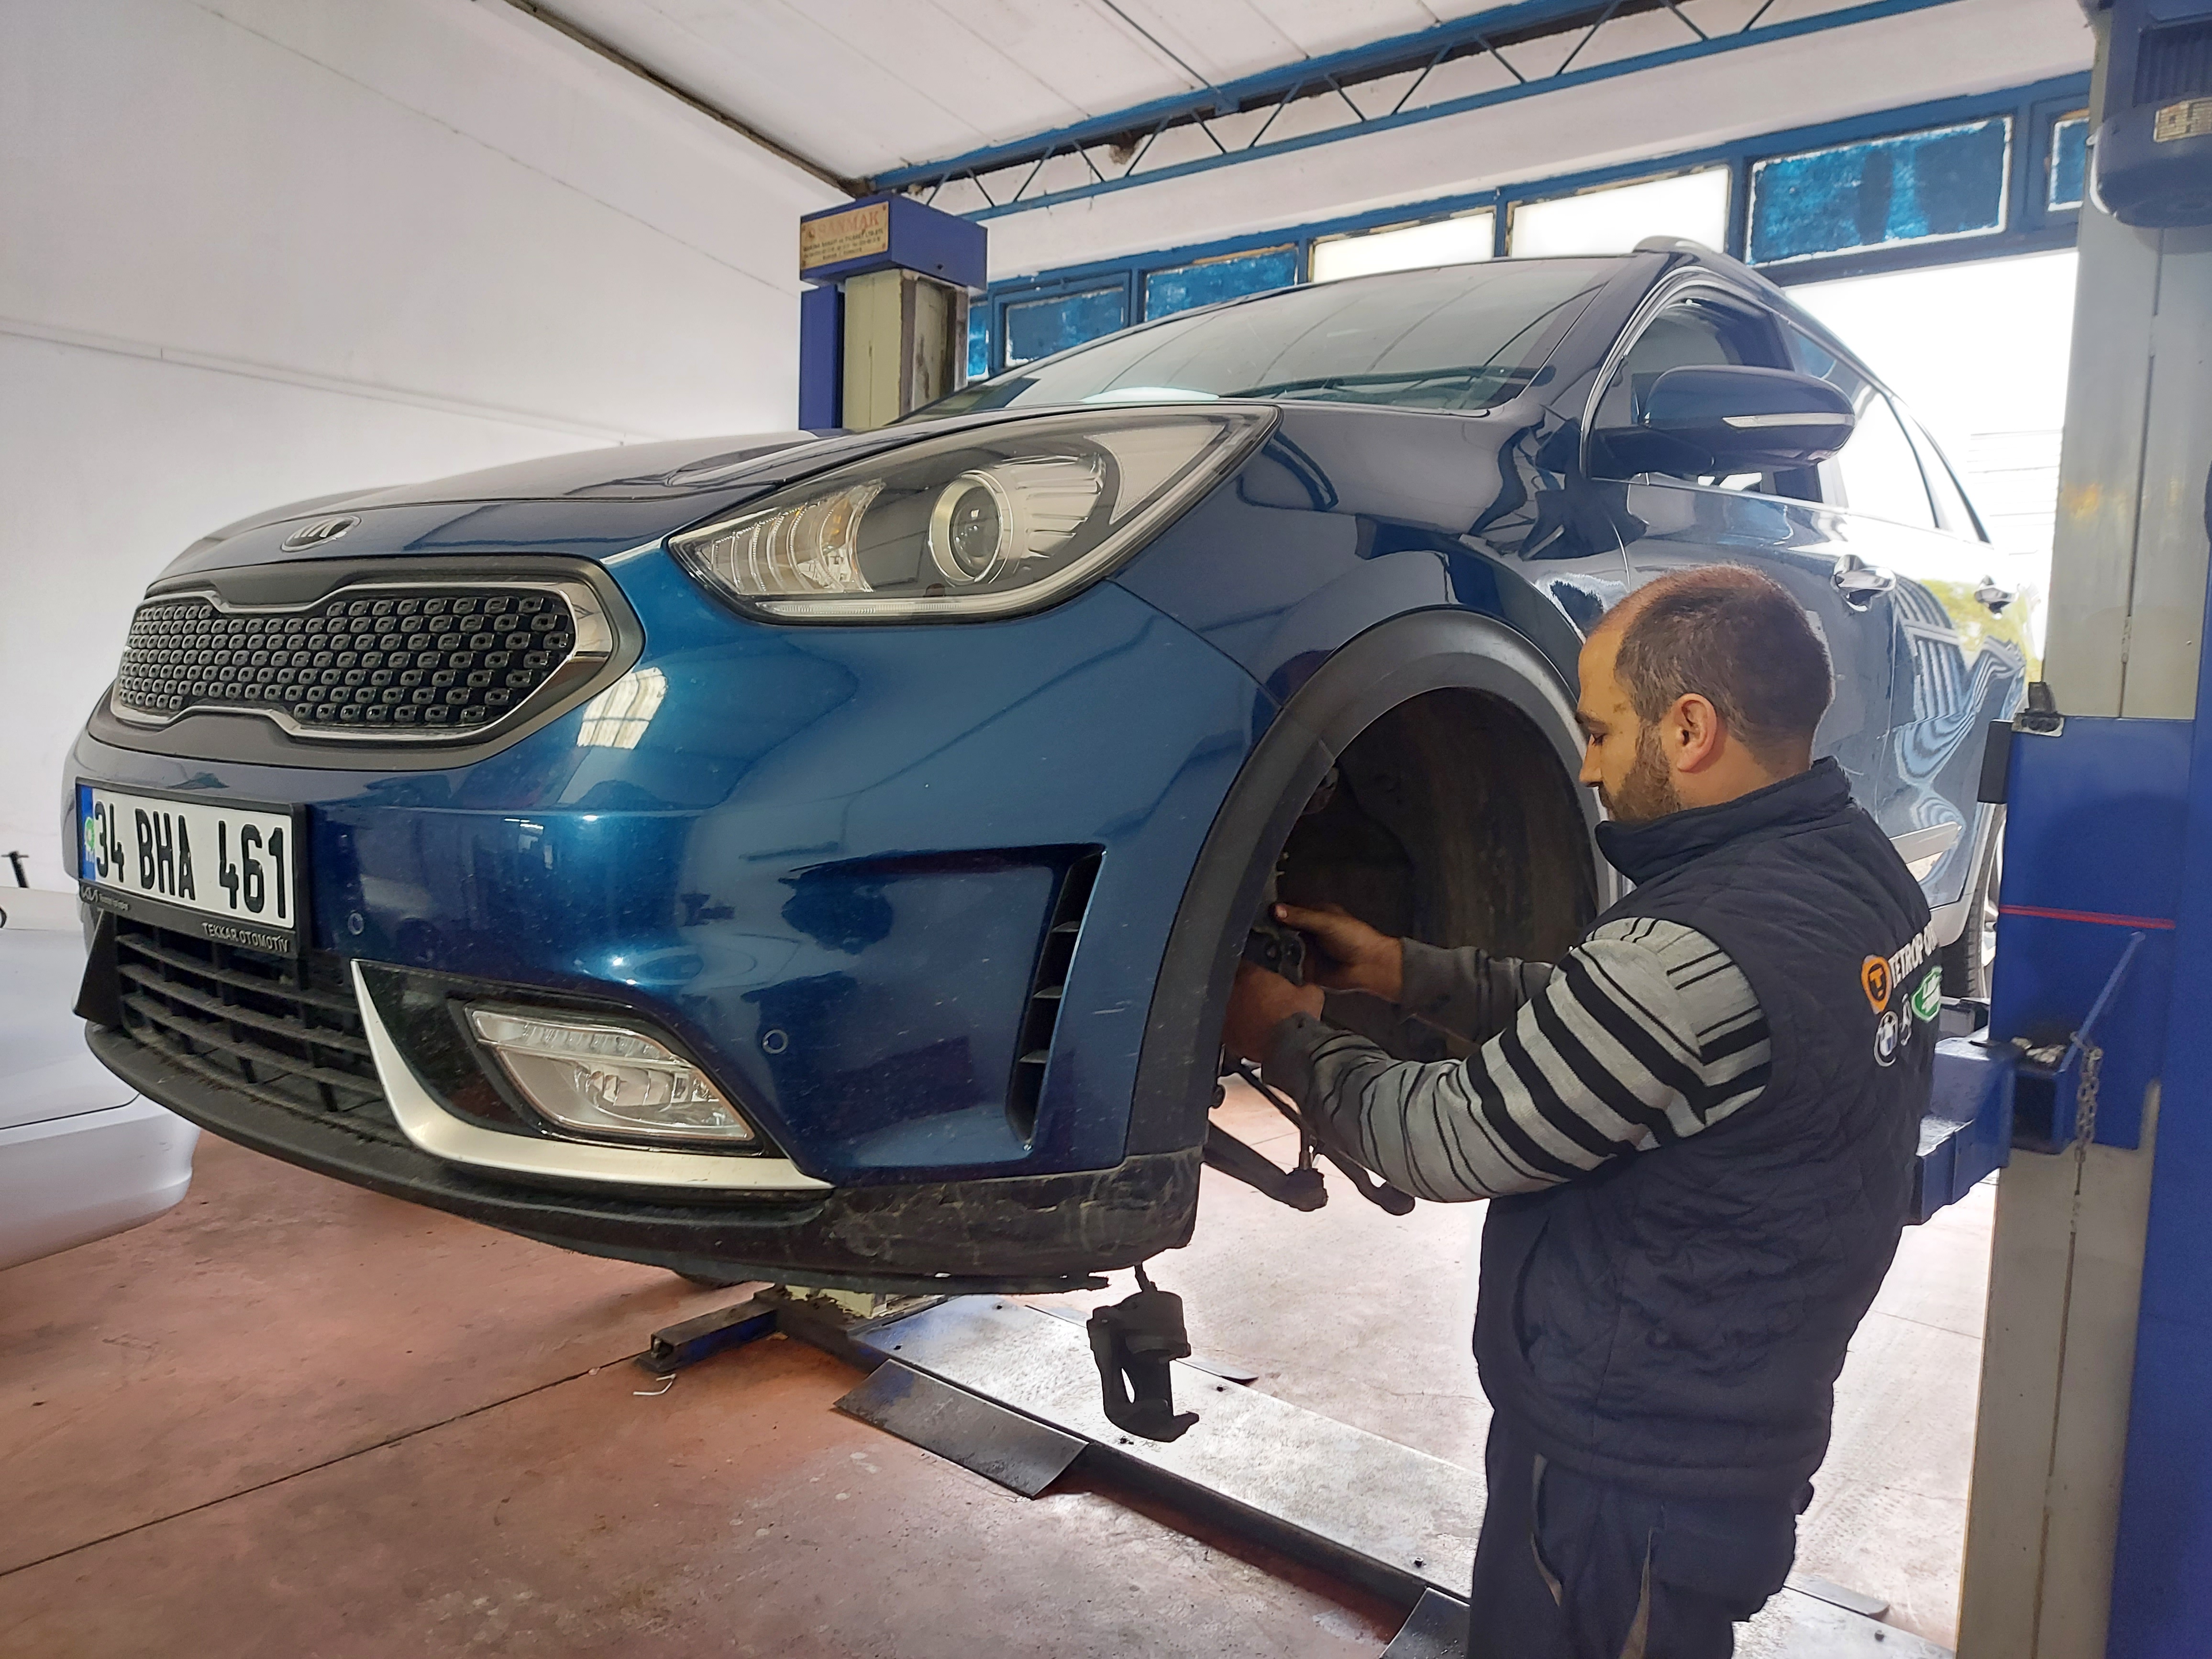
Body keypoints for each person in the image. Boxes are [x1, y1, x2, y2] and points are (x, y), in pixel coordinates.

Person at [1222, 564, 1938, 1659]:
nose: (1587, 766)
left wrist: (1280, 1034)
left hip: (1625, 1476)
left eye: (1601, 731)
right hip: (1728, 1414)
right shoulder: (1854, 868)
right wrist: (1403, 971)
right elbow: (1627, 1038)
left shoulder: (1682, 954)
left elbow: (1444, 1140)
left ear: (1687, 728)